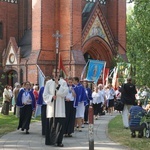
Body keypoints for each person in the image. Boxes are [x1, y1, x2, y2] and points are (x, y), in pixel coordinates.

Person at [43, 69, 68, 147]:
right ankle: (50, 140)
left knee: (60, 125)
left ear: (59, 73)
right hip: (52, 108)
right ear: (52, 73)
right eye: (55, 72)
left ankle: (59, 141)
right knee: (51, 125)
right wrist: (51, 97)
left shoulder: (63, 82)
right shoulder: (48, 83)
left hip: (60, 107)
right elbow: (45, 95)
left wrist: (58, 85)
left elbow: (64, 93)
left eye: (58, 72)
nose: (56, 74)